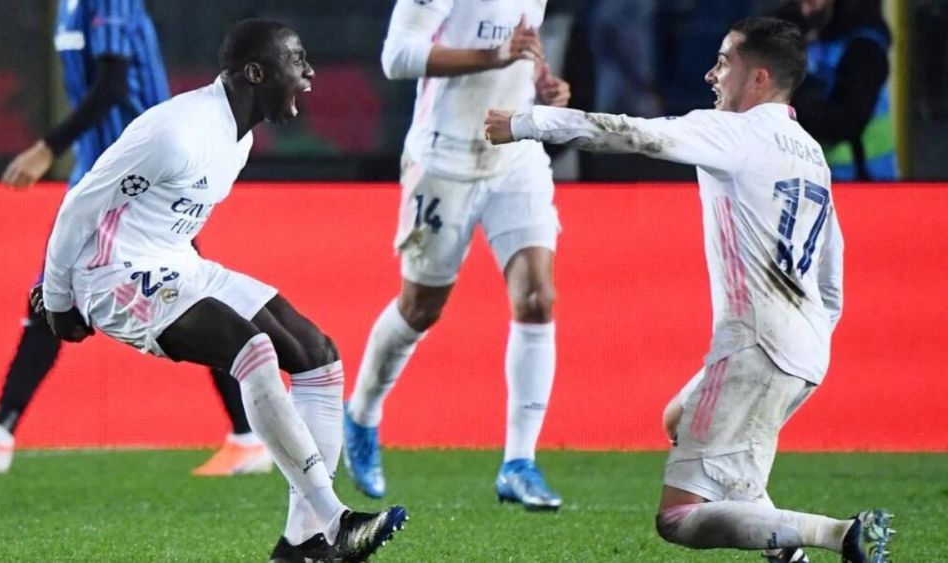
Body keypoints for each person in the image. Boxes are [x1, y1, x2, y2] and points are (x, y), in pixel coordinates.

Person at [485, 16, 893, 563]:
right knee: (682, 421)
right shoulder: (810, 152)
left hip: (755, 346)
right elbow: (833, 277)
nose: (710, 73)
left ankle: (839, 533)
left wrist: (527, 121)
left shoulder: (736, 132)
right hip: (806, 348)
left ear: (759, 77)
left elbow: (630, 132)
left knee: (678, 518)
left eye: (724, 61)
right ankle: (788, 551)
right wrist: (807, 339)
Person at [31, 18, 407, 562]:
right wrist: (61, 299)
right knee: (251, 350)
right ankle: (336, 521)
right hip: (112, 274)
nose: (309, 72)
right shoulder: (176, 132)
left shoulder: (240, 136)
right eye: (296, 60)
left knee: (316, 354)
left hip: (177, 264)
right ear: (255, 72)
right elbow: (80, 204)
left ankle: (304, 544)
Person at [0, 0, 270, 477]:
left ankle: (250, 433)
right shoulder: (69, 8)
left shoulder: (109, 2)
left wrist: (46, 147)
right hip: (102, 173)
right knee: (54, 290)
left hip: (142, 174)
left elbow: (113, 85)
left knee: (183, 294)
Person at [341, 0, 571, 510]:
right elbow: (397, 57)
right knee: (421, 308)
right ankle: (361, 414)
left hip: (515, 150)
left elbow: (521, 53)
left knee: (537, 296)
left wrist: (542, 84)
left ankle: (519, 462)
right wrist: (495, 55)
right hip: (444, 157)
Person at [775, 0, 898, 180]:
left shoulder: (864, 47)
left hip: (863, 182)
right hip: (808, 183)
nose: (803, 8)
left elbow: (846, 120)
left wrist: (782, 106)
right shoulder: (793, 33)